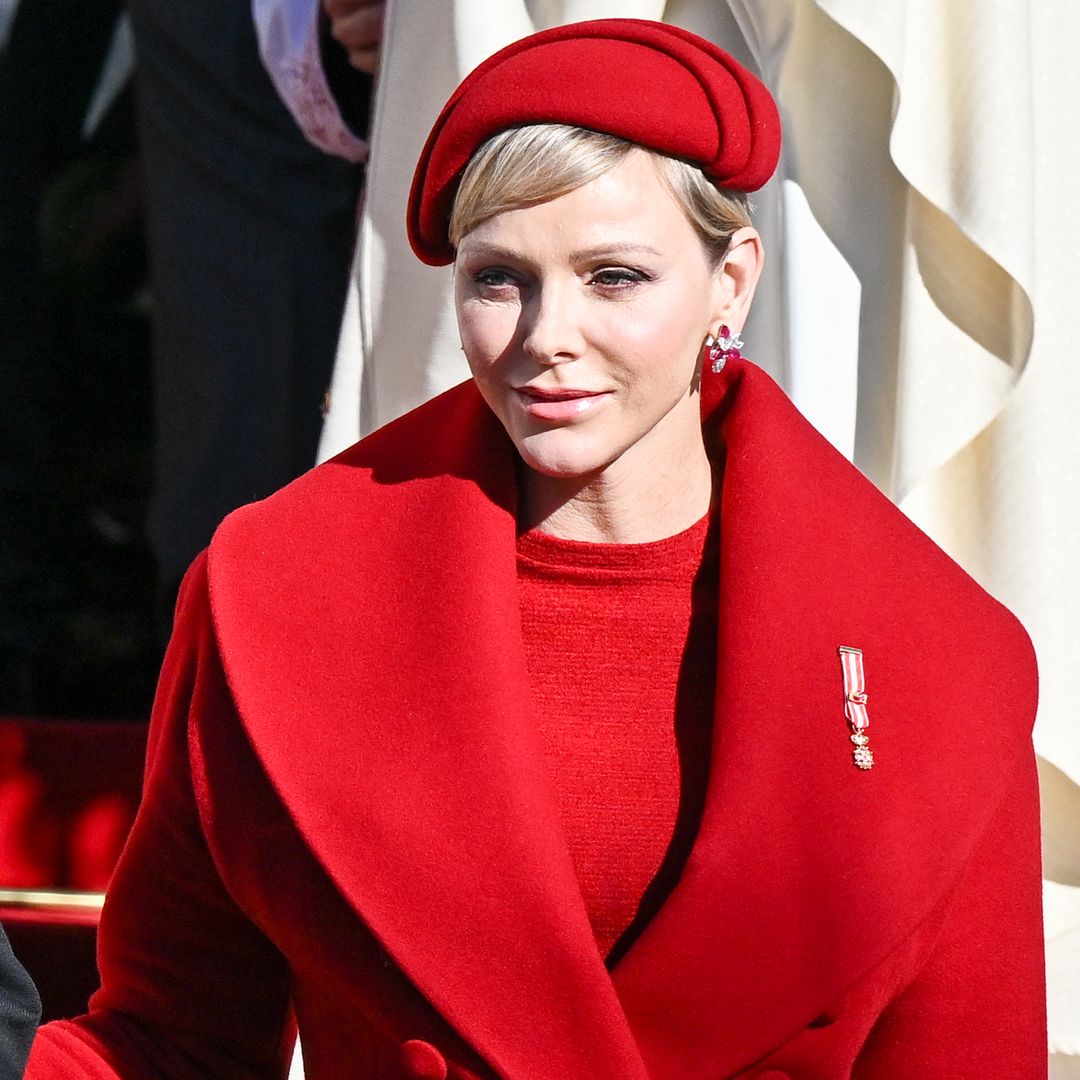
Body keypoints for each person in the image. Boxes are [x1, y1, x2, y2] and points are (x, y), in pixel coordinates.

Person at [26, 19, 1045, 1079]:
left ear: (730, 282)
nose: (547, 337)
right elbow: (170, 1047)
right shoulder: (269, 596)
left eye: (615, 277)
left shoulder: (944, 660)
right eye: (499, 278)